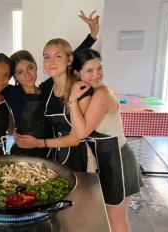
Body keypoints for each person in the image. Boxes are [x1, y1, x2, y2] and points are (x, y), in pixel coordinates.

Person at [0, 10, 100, 159]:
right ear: (14, 77)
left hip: (48, 150)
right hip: (22, 150)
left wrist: (92, 35)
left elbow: (68, 58)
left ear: (36, 67)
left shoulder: (46, 88)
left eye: (30, 68)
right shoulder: (10, 92)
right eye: (19, 72)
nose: (26, 75)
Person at [68, 48, 143, 232]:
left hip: (119, 162)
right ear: (77, 73)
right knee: (109, 220)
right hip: (107, 161)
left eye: (99, 68)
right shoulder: (89, 93)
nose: (97, 75)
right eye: (89, 70)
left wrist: (71, 101)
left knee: (116, 221)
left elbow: (82, 132)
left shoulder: (102, 93)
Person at [14, 38, 95, 172]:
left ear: (69, 60)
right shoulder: (47, 88)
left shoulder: (81, 88)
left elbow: (76, 138)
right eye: (47, 57)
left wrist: (37, 143)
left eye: (58, 56)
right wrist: (18, 130)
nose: (51, 62)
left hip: (78, 157)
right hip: (53, 156)